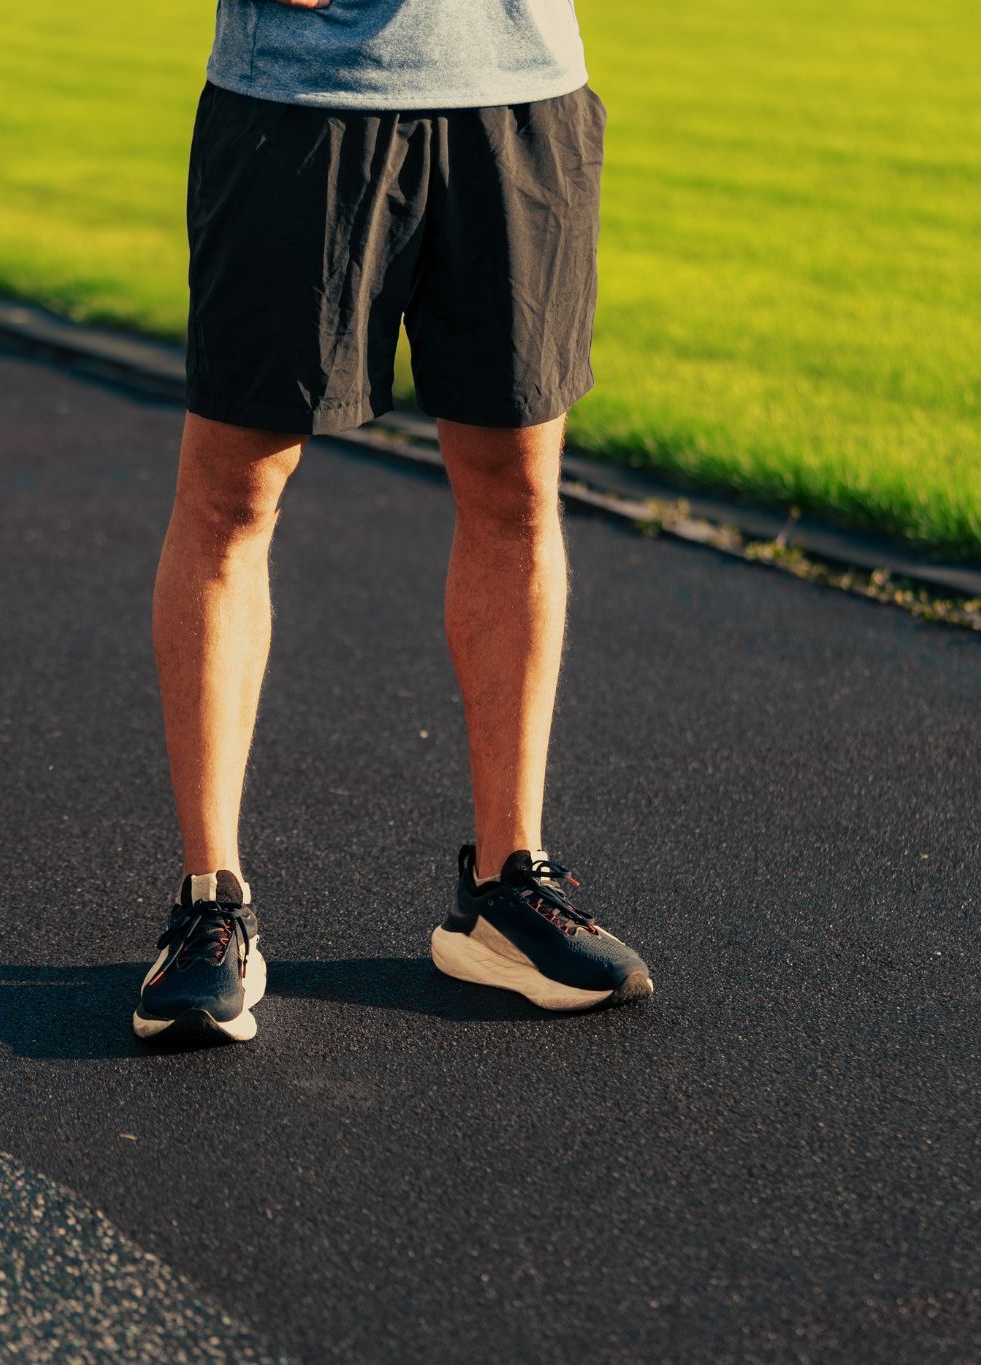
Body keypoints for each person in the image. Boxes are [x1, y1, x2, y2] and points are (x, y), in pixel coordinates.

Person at [135, 0, 654, 1044]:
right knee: (235, 496)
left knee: (515, 493)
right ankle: (210, 903)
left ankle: (506, 891)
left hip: (518, 93)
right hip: (300, 100)